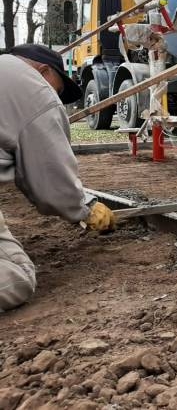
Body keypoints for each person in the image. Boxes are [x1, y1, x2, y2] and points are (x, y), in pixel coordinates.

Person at [0, 44, 116, 311]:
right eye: (58, 89)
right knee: (17, 277)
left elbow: (26, 172)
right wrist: (84, 206)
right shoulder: (33, 88)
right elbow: (49, 175)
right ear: (44, 71)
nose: (56, 97)